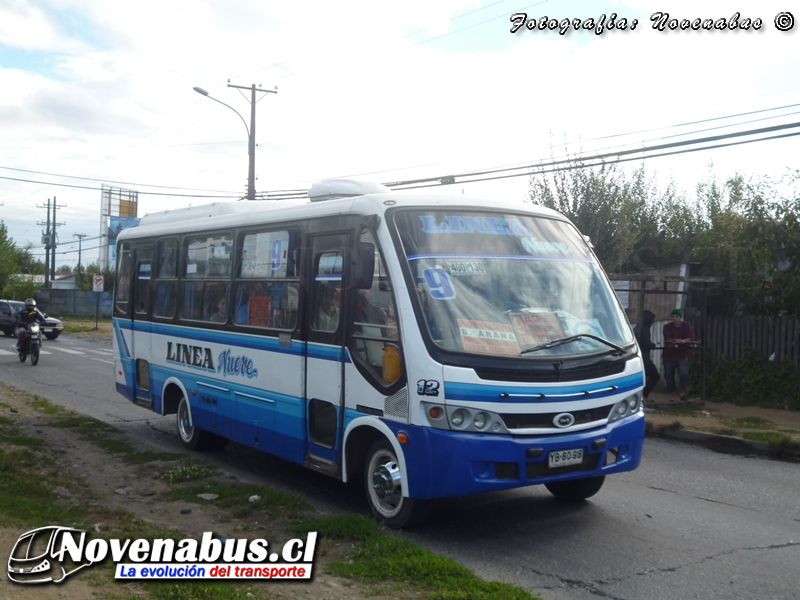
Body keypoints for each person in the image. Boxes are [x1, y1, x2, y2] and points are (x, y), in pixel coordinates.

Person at [662, 308, 694, 401]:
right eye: (673, 316)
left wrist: (683, 341)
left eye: (677, 316)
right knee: (669, 375)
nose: (675, 318)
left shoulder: (686, 325)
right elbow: (667, 338)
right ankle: (672, 395)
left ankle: (683, 392)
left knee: (684, 373)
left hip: (681, 354)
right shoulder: (667, 327)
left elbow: (690, 337)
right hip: (669, 354)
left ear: (680, 317)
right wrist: (676, 340)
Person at [635, 310, 660, 403]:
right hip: (644, 358)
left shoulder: (637, 327)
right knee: (655, 376)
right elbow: (645, 343)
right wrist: (652, 345)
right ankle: (644, 395)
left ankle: (641, 396)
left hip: (639, 357)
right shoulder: (644, 328)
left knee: (643, 377)